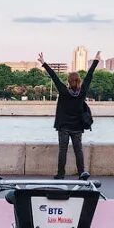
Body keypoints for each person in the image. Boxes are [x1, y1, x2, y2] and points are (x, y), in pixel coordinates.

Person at [39, 50, 100, 179]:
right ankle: (82, 172)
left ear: (68, 81)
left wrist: (44, 63)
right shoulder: (82, 92)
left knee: (63, 151)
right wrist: (96, 61)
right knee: (79, 151)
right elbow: (89, 76)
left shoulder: (64, 91)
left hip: (64, 127)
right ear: (78, 81)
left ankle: (61, 174)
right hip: (77, 127)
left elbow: (54, 77)